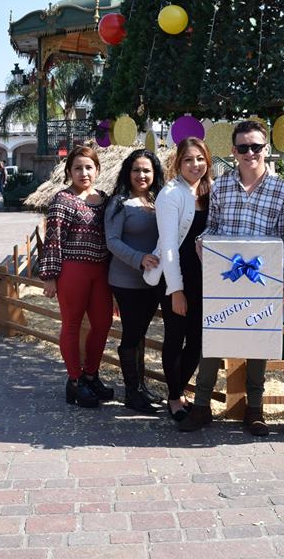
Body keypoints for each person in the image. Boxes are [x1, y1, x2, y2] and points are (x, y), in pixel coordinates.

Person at [179, 121, 284, 436]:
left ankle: (254, 410)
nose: (250, 153)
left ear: (266, 149)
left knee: (258, 344)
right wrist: (202, 240)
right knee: (214, 339)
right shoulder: (221, 186)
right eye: (243, 147)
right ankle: (201, 407)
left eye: (256, 146)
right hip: (225, 279)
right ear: (233, 151)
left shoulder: (282, 190)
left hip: (262, 279)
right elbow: (212, 227)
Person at [40, 145, 114, 409]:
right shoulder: (63, 200)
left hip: (101, 270)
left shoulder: (104, 199)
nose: (84, 173)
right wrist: (50, 275)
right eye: (78, 168)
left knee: (103, 323)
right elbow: (53, 239)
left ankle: (91, 375)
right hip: (73, 269)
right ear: (69, 172)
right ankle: (74, 380)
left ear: (98, 169)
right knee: (71, 324)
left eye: (89, 167)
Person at [143, 137, 212, 423]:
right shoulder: (170, 194)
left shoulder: (210, 190)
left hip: (203, 278)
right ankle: (174, 397)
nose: (195, 165)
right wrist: (176, 290)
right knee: (175, 336)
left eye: (200, 159)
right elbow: (169, 247)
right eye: (188, 159)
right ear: (178, 163)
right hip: (175, 277)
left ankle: (179, 388)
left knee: (197, 341)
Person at [104, 149, 166, 414]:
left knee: (140, 334)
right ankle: (131, 393)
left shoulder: (159, 200)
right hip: (126, 280)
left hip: (152, 281)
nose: (142, 175)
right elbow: (112, 241)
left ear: (155, 173)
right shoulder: (119, 203)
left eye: (147, 170)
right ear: (128, 173)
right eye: (136, 170)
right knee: (131, 335)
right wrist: (139, 258)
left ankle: (141, 387)